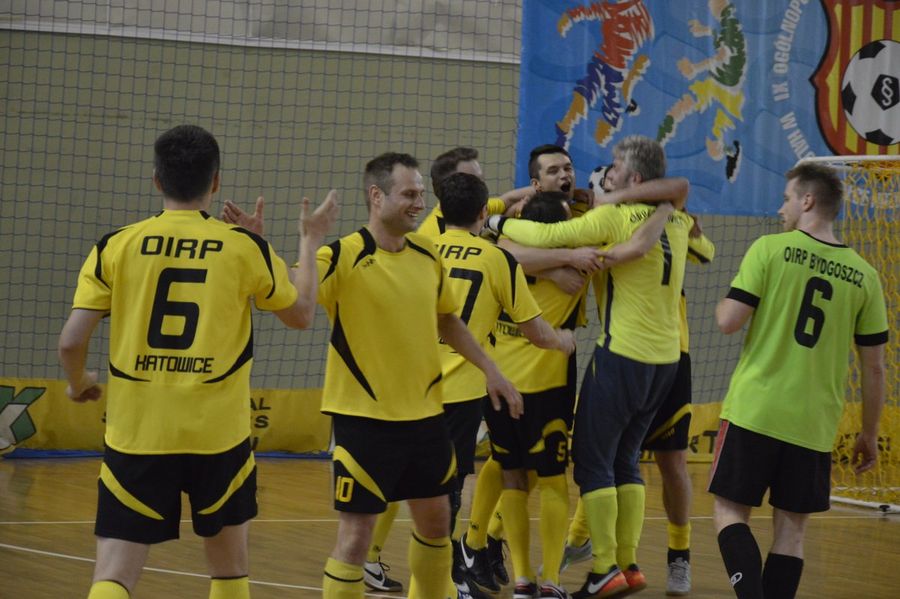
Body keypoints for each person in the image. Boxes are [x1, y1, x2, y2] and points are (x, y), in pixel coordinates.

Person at [57, 124, 338, 599]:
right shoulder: (244, 247)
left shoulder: (116, 245)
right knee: (229, 572)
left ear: (157, 180)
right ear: (216, 181)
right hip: (219, 437)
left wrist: (79, 381)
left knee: (113, 576)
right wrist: (308, 242)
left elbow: (70, 342)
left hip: (138, 433)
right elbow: (302, 314)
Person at [486, 135, 691, 598]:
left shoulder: (612, 218)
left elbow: (544, 236)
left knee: (592, 464)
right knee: (627, 461)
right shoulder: (675, 219)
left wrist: (497, 221)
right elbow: (702, 238)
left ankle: (603, 568)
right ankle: (628, 564)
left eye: (614, 168)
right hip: (666, 360)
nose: (606, 174)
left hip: (624, 354)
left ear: (633, 178)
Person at [314, 152, 523, 599]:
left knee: (436, 522)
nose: (420, 203)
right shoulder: (342, 254)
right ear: (377, 196)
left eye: (422, 194)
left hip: (426, 417)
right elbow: (294, 307)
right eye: (409, 194)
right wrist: (307, 240)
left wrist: (492, 371)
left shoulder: (428, 253)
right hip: (363, 419)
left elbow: (448, 319)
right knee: (356, 537)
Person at [711, 162, 887, 599]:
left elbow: (729, 321)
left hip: (755, 410)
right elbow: (874, 368)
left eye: (786, 198)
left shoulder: (770, 248)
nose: (781, 208)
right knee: (791, 532)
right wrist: (868, 432)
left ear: (807, 201)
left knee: (729, 512)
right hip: (813, 424)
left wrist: (721, 302)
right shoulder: (866, 276)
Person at [558, 170, 716, 598]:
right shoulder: (639, 218)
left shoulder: (644, 219)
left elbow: (704, 247)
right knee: (619, 457)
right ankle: (595, 548)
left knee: (653, 460)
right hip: (664, 358)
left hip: (653, 352)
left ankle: (671, 555)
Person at [434, 174, 576, 598]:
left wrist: (504, 222)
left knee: (505, 475)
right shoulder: (516, 261)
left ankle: (508, 571)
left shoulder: (437, 246)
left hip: (483, 380)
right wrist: (564, 338)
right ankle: (547, 580)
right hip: (536, 384)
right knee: (551, 481)